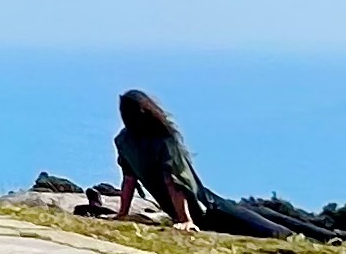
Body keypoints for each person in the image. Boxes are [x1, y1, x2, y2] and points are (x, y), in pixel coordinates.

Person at [113, 90, 302, 239]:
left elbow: (167, 181)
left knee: (269, 222)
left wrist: (184, 219)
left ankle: (328, 237)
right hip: (208, 208)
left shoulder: (142, 140)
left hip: (209, 206)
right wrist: (184, 219)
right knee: (272, 229)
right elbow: (140, 179)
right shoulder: (144, 140)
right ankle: (323, 236)